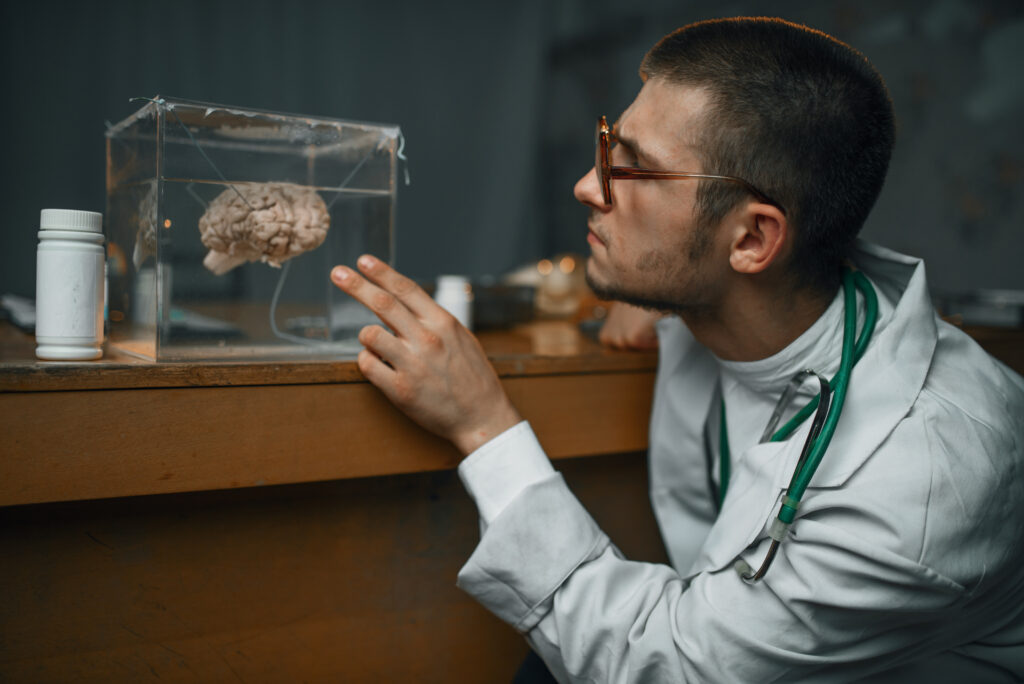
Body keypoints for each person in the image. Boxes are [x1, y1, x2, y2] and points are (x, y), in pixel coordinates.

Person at [329, 17, 1024, 682]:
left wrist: (481, 423)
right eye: (610, 145)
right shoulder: (744, 295)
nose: (584, 186)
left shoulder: (924, 477)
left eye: (630, 171)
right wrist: (652, 287)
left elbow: (667, 666)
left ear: (753, 239)